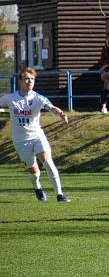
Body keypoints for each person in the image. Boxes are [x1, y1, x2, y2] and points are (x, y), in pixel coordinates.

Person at [0, 68, 70, 202]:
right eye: (26, 79)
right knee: (33, 170)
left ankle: (60, 195)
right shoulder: (10, 98)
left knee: (48, 163)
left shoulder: (38, 98)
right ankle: (37, 187)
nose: (29, 81)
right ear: (20, 80)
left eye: (32, 79)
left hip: (37, 136)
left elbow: (50, 107)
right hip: (20, 140)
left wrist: (60, 113)